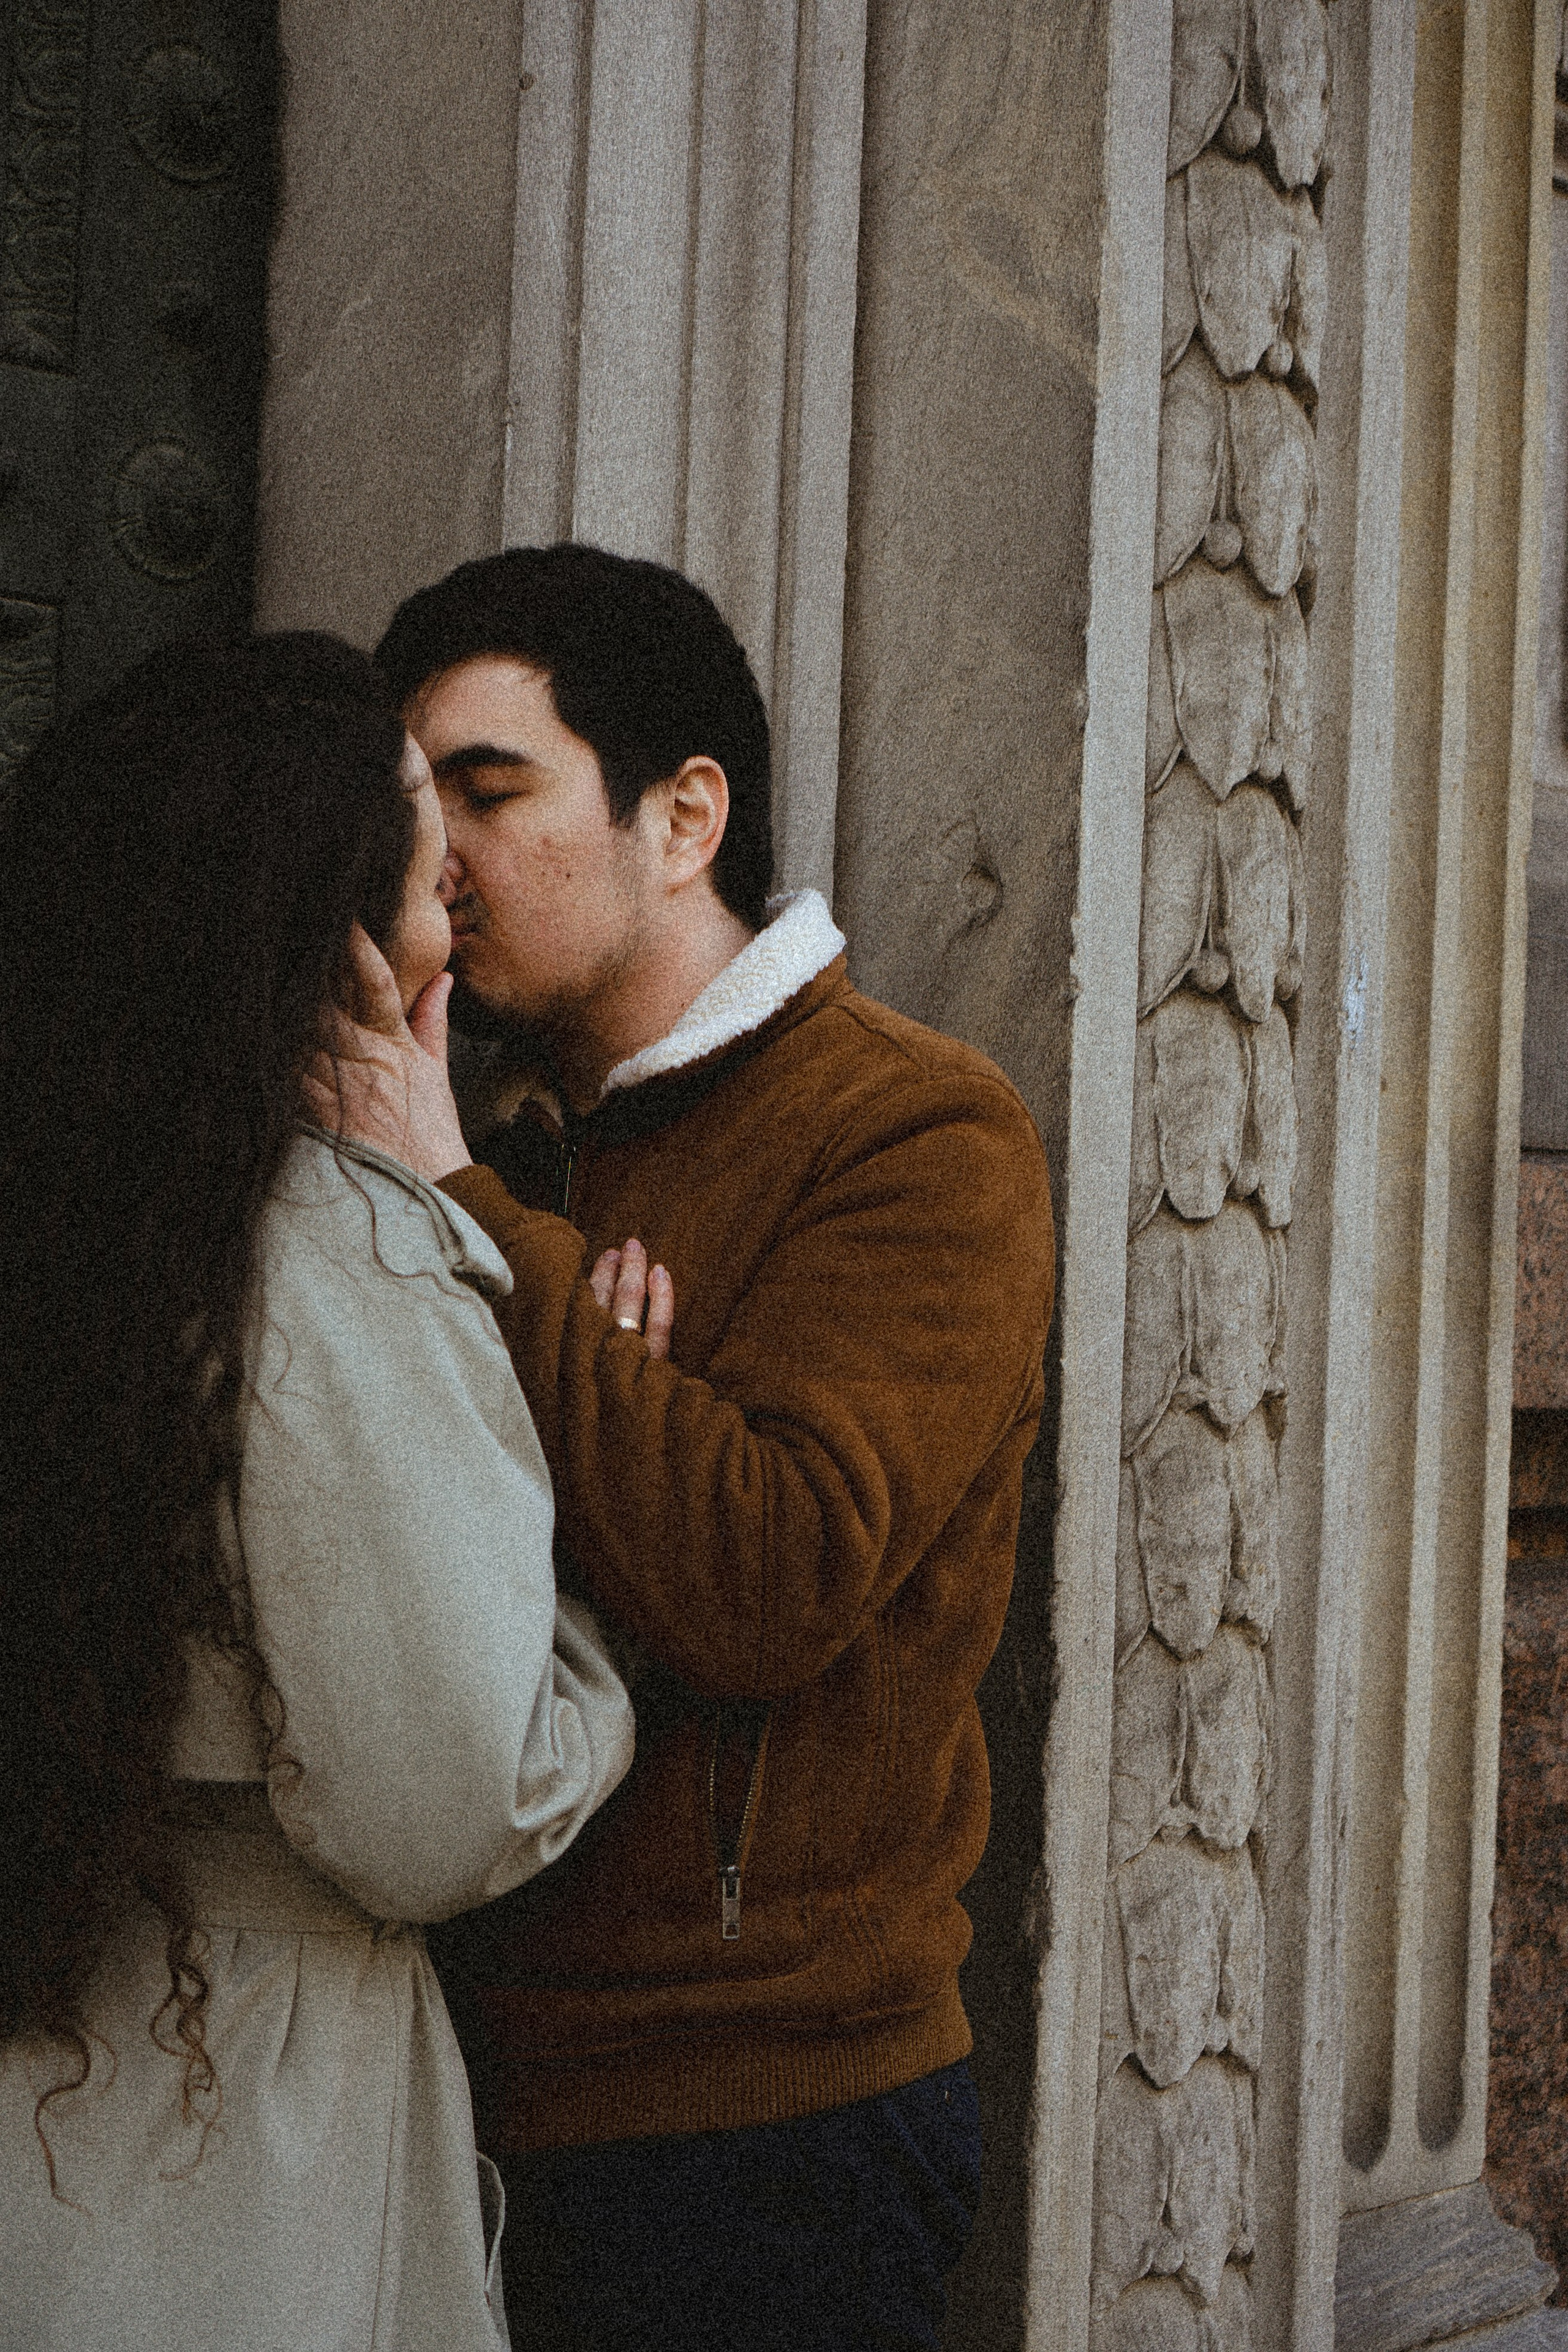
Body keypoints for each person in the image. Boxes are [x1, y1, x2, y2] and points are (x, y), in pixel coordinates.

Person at [320, 542, 1057, 2352]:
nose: (445, 866)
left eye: (495, 792)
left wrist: (480, 1224)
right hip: (457, 2076)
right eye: (424, 813)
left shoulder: (913, 1131)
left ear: (685, 815)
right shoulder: (481, 1124)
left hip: (763, 2127)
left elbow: (766, 1574)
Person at [0, 633, 639, 2352]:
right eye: (436, 882)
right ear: (338, 947)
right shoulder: (329, 1253)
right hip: (234, 2135)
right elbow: (451, 1805)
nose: (465, 928)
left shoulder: (60, 1209)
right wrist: (593, 1692)